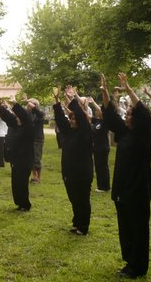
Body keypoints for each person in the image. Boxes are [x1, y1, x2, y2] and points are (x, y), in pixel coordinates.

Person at [101, 73, 151, 279]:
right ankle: (129, 262)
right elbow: (110, 116)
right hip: (122, 188)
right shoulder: (124, 132)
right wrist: (105, 93)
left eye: (131, 114)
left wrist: (129, 89)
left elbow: (143, 113)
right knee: (126, 227)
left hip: (138, 188)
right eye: (127, 114)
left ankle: (138, 267)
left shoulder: (144, 133)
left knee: (138, 228)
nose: (128, 117)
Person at [53, 85, 93, 235]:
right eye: (71, 118)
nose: (71, 120)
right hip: (69, 172)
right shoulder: (69, 132)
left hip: (82, 173)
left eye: (74, 118)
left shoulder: (85, 133)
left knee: (82, 199)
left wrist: (73, 98)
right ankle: (77, 222)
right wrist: (57, 103)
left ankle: (83, 226)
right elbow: (61, 120)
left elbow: (82, 118)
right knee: (74, 199)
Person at [0, 96, 34, 211]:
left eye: (19, 117)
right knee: (16, 183)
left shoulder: (28, 128)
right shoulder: (16, 126)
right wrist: (2, 107)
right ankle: (19, 203)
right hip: (16, 160)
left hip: (25, 160)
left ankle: (25, 204)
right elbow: (8, 117)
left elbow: (24, 116)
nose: (17, 119)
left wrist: (15, 103)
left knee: (22, 183)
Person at [88, 97, 110, 192]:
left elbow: (101, 110)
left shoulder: (105, 122)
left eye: (98, 111)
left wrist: (93, 103)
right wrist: (83, 105)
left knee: (102, 167)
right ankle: (101, 186)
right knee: (99, 166)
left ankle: (104, 187)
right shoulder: (97, 121)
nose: (96, 112)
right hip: (97, 147)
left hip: (103, 147)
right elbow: (86, 115)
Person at [26, 97, 45, 183]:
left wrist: (28, 101)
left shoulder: (40, 113)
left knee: (37, 158)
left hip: (38, 139)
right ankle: (34, 176)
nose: (28, 106)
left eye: (29, 105)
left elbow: (39, 113)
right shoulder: (28, 113)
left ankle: (39, 177)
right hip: (30, 138)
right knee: (31, 158)